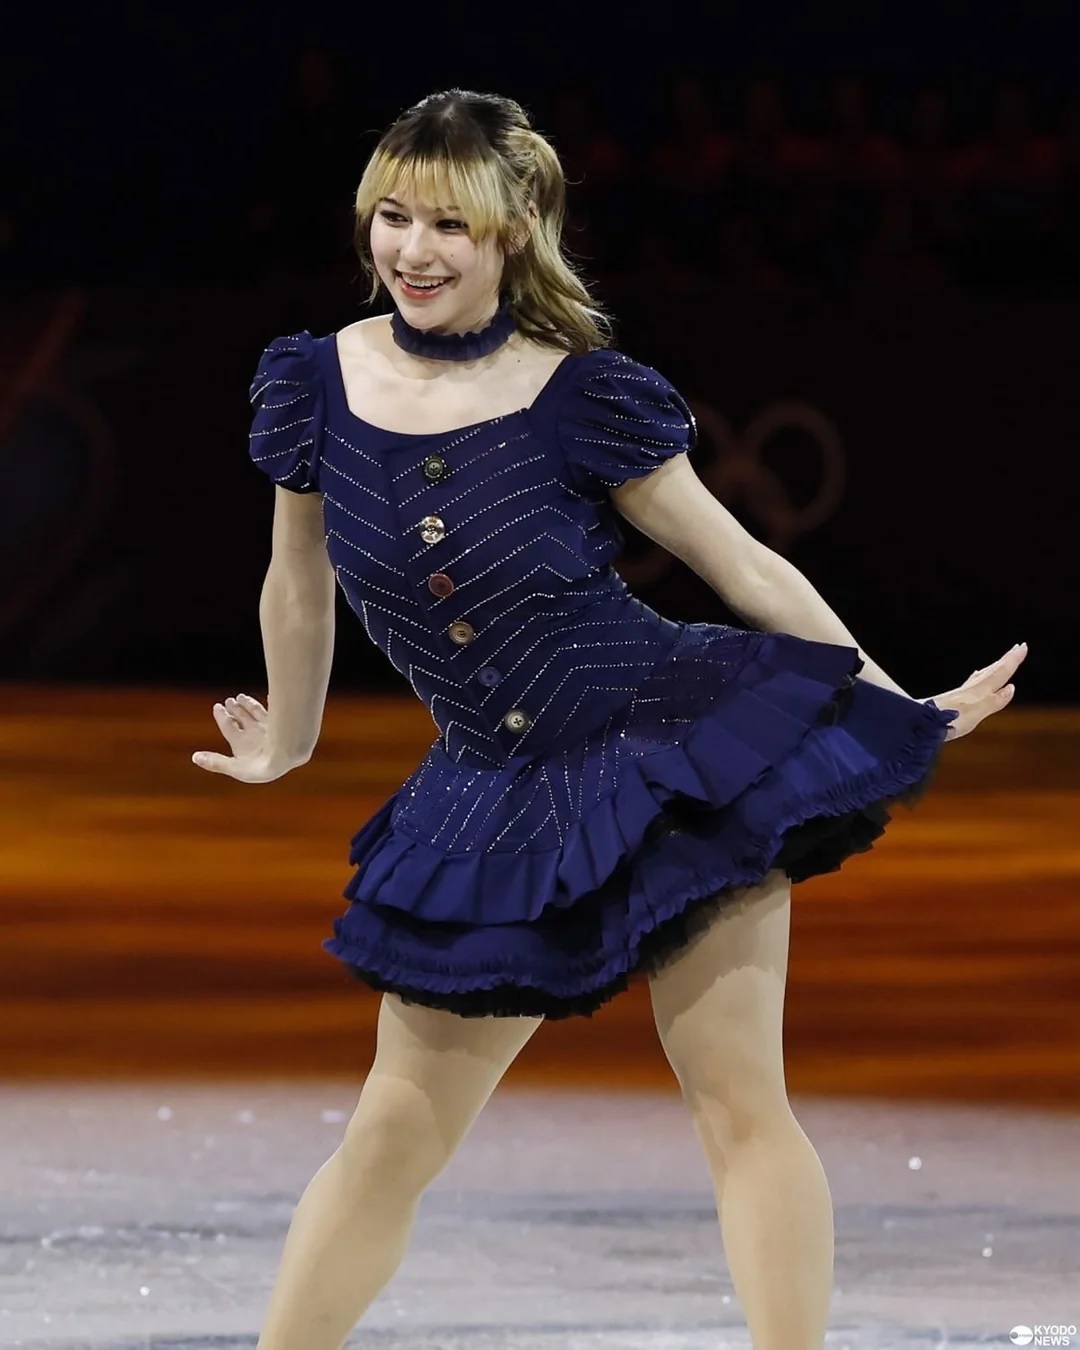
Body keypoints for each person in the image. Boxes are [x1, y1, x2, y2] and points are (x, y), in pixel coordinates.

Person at [192, 88, 1027, 1350]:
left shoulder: (580, 396)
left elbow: (740, 564)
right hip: (492, 794)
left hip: (670, 760)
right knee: (389, 1135)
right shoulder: (315, 382)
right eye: (393, 216)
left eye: (450, 225)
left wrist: (892, 700)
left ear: (516, 230)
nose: (413, 249)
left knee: (737, 1103)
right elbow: (296, 579)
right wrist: (289, 743)